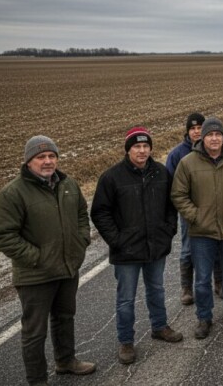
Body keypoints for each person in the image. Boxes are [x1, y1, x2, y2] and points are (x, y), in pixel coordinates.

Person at [0, 136, 96, 385]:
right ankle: (37, 380)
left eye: (51, 156)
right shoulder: (13, 193)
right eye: (41, 157)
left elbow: (81, 213)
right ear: (28, 161)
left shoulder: (68, 184)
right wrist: (36, 257)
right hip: (35, 274)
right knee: (34, 331)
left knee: (65, 317)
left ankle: (66, 361)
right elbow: (1, 236)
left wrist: (81, 240)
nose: (47, 161)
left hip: (67, 267)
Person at [91, 127, 183, 364]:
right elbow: (100, 212)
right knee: (126, 298)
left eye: (145, 146)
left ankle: (160, 326)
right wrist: (117, 240)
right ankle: (126, 341)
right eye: (137, 147)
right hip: (127, 250)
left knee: (157, 289)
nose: (142, 151)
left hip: (156, 246)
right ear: (128, 150)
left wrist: (168, 231)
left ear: (150, 148)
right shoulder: (112, 177)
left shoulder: (161, 173)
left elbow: (171, 206)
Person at [171, 117, 223, 339]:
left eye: (218, 134)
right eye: (210, 135)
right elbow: (179, 194)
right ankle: (204, 318)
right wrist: (195, 216)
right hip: (201, 232)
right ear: (203, 138)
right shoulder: (188, 163)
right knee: (202, 279)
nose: (214, 139)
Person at [166, 112, 221, 305]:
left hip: (214, 208)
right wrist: (188, 210)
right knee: (188, 249)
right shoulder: (177, 154)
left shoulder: (214, 150)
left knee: (217, 245)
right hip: (190, 212)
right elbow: (172, 187)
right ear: (188, 131)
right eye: (193, 128)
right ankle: (187, 288)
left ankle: (219, 283)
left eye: (200, 128)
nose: (196, 132)